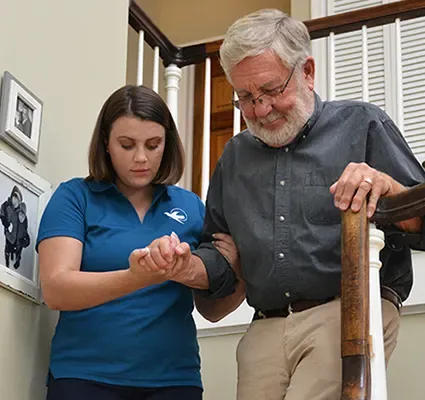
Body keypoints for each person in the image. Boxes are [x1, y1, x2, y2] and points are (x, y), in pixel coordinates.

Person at [142, 8, 425, 400]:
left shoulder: (363, 124)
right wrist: (187, 266)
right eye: (246, 97)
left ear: (307, 71)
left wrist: (388, 186)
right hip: (264, 329)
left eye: (272, 90)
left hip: (346, 311)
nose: (260, 109)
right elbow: (220, 254)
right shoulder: (234, 157)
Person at [36, 84, 239, 400]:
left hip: (174, 381)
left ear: (167, 144)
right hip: (84, 377)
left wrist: (240, 270)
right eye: (127, 145)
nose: (141, 158)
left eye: (153, 145)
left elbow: (212, 311)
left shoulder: (190, 207)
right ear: (106, 142)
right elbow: (56, 290)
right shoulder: (74, 197)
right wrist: (137, 277)